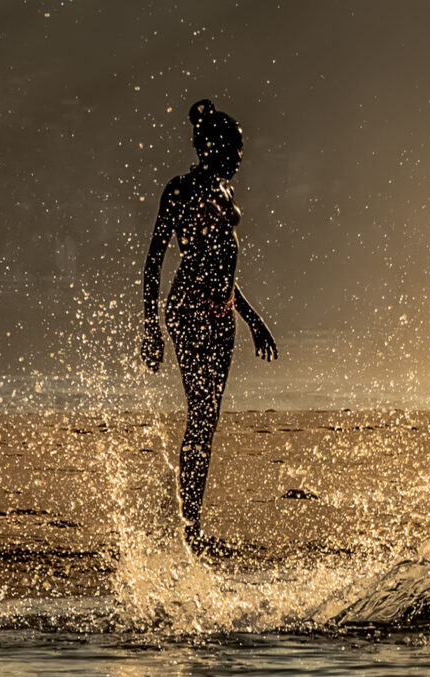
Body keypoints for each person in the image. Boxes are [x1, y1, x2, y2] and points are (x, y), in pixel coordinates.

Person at [141, 99, 277, 555]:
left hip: (220, 313)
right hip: (190, 310)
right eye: (234, 149)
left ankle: (188, 521)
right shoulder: (180, 190)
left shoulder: (225, 192)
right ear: (211, 146)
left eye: (241, 150)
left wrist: (254, 321)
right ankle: (188, 529)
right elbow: (156, 260)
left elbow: (223, 273)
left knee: (207, 419)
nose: (240, 157)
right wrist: (150, 328)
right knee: (201, 417)